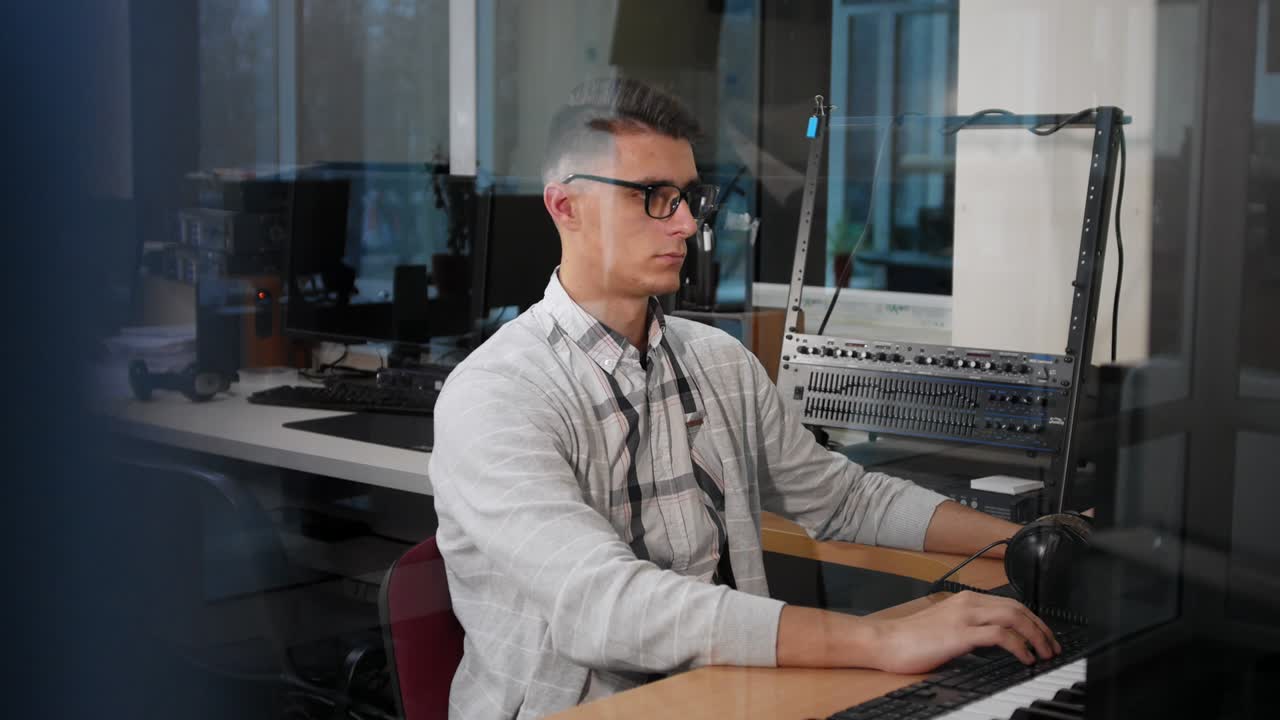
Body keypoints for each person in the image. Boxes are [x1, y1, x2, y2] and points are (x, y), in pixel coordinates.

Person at [428, 78, 1060, 720]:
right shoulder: (496, 393)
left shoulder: (717, 361)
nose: (685, 222)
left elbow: (843, 500)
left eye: (688, 197)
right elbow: (605, 605)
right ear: (566, 206)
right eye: (654, 197)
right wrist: (882, 638)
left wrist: (1036, 542)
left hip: (723, 699)